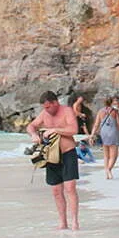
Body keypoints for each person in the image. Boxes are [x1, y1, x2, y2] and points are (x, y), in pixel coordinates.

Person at [27, 90, 80, 230]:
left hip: (68, 153)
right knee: (56, 190)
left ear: (55, 103)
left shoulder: (67, 111)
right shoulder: (44, 114)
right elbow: (31, 126)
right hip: (51, 155)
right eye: (44, 107)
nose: (46, 110)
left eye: (48, 107)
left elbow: (74, 129)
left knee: (70, 188)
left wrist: (55, 130)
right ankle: (63, 223)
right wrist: (33, 134)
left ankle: (74, 222)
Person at [90, 95, 119, 179]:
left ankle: (107, 173)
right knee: (113, 156)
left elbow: (96, 124)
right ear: (111, 102)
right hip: (113, 133)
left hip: (103, 134)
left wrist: (92, 135)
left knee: (106, 155)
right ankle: (108, 170)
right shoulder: (115, 112)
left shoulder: (100, 111)